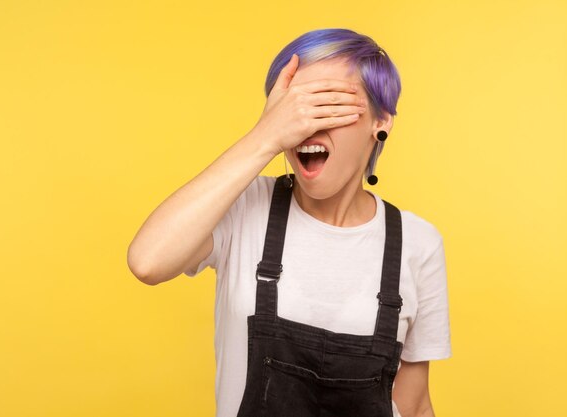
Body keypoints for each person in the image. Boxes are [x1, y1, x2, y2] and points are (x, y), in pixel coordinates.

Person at [128, 28, 452, 417]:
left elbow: (414, 404)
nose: (304, 125)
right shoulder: (245, 208)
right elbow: (148, 261)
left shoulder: (418, 243)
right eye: (292, 108)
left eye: (326, 105)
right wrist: (265, 136)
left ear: (380, 120)